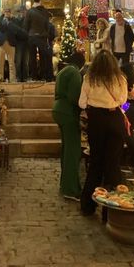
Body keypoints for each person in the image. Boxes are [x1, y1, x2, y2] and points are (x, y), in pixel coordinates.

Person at [79, 50, 129, 216]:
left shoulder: (89, 78)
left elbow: (81, 103)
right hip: (114, 119)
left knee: (96, 162)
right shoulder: (120, 79)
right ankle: (112, 211)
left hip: (96, 121)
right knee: (113, 164)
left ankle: (87, 205)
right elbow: (123, 100)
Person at [52, 51, 85, 201]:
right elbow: (75, 96)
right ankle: (71, 189)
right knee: (73, 151)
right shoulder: (74, 73)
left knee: (66, 149)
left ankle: (64, 184)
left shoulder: (63, 71)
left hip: (58, 110)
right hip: (68, 112)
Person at [24, 0, 53, 81]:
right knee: (43, 57)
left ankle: (34, 76)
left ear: (34, 0)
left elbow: (26, 25)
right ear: (40, 0)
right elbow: (47, 25)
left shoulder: (29, 12)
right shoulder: (45, 11)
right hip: (42, 36)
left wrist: (28, 34)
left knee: (32, 57)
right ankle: (43, 75)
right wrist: (46, 33)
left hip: (32, 36)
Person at [0, 8, 16, 82]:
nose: (7, 13)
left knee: (11, 63)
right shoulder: (2, 21)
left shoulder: (13, 20)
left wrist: (12, 17)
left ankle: (12, 80)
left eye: (8, 12)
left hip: (11, 43)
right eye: (6, 12)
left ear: (10, 13)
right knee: (0, 63)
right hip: (1, 43)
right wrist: (2, 15)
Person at [13, 7, 29, 82]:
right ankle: (18, 77)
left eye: (24, 11)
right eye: (21, 12)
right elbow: (16, 31)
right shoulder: (16, 20)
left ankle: (25, 77)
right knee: (18, 61)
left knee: (25, 61)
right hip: (19, 42)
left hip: (26, 43)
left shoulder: (28, 21)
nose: (22, 13)